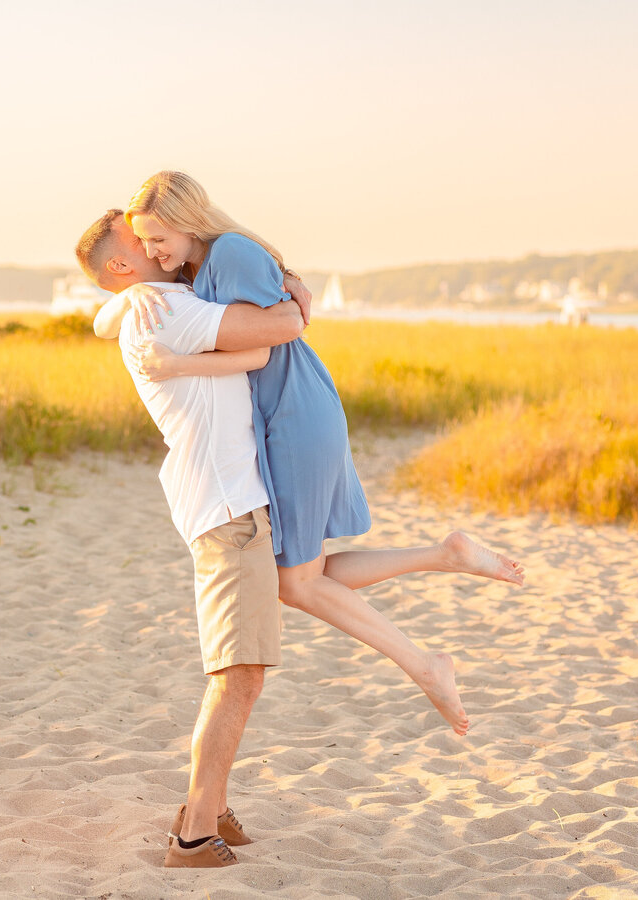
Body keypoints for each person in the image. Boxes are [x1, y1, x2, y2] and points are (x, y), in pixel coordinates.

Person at [111, 172, 526, 737]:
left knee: (295, 582)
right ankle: (445, 559)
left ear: (188, 221)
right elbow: (111, 317)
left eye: (157, 238)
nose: (153, 252)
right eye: (145, 245)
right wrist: (133, 292)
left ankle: (427, 663)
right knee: (296, 577)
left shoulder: (229, 253)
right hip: (283, 415)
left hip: (294, 415)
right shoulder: (196, 266)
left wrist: (177, 363)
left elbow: (271, 336)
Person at [74, 209, 305, 868]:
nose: (158, 242)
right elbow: (284, 325)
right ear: (122, 266)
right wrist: (296, 285)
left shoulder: (154, 303)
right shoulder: (166, 309)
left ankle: (211, 804)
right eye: (141, 240)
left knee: (244, 672)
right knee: (238, 676)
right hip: (230, 510)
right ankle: (193, 834)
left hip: (227, 505)